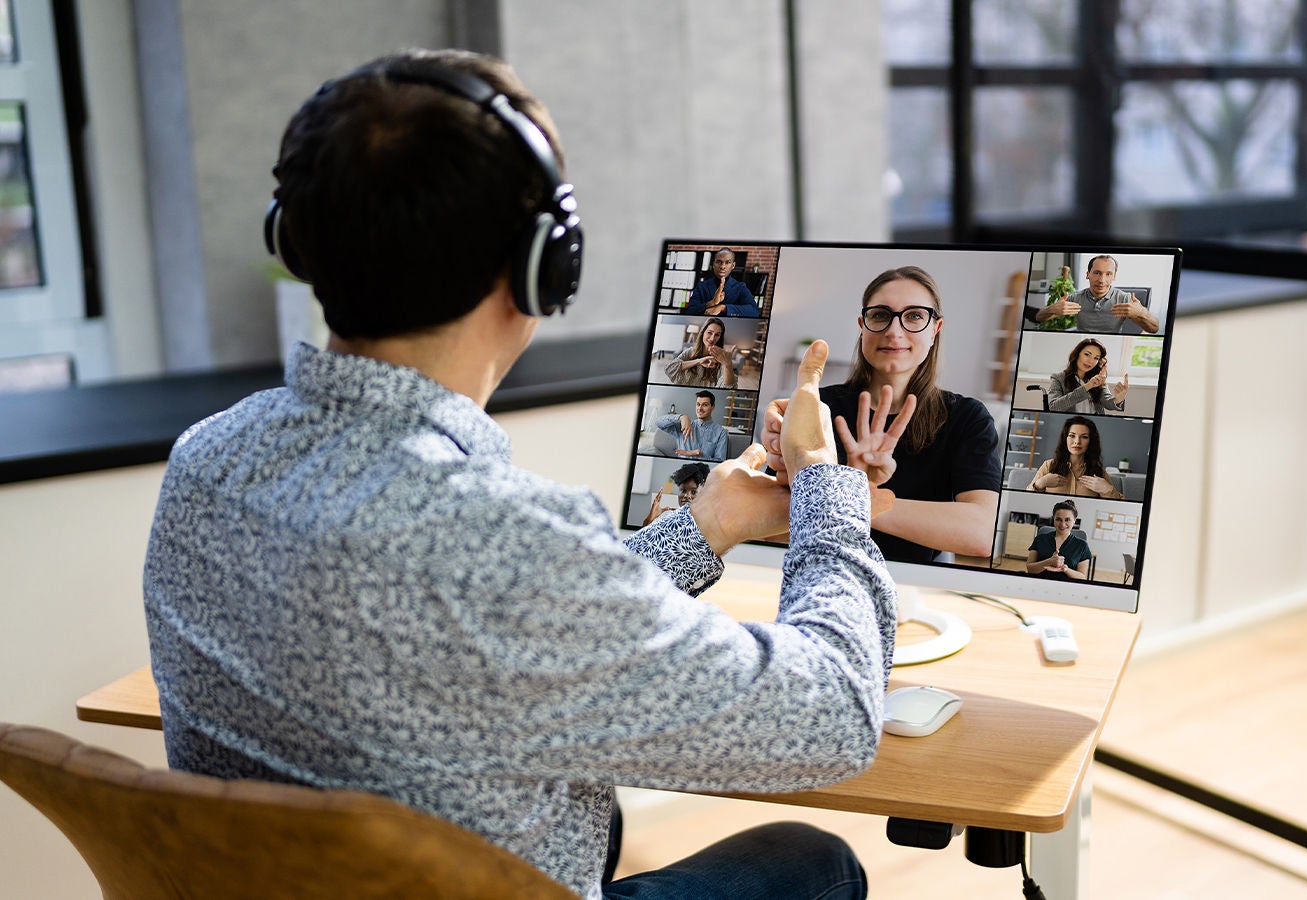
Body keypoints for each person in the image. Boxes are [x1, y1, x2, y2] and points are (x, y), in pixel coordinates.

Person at [143, 49, 895, 900]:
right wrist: (829, 484)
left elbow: (498, 636)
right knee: (814, 863)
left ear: (298, 236)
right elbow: (833, 716)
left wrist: (706, 527)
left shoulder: (205, 463)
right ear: (546, 266)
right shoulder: (504, 544)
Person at [762, 266, 1003, 565]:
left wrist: (855, 497)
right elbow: (765, 526)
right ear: (863, 325)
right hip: (816, 571)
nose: (894, 330)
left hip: (911, 584)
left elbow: (980, 533)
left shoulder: (967, 417)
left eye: (914, 316)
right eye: (880, 315)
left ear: (935, 330)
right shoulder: (818, 406)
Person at [1035, 255, 1160, 334]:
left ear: (1114, 277)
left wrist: (1141, 313)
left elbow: (1154, 329)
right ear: (1087, 274)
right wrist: (1051, 308)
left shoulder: (1125, 299)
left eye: (1108, 274)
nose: (1102, 280)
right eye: (1097, 273)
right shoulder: (1075, 297)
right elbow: (1038, 318)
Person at [1028, 414, 1125, 499]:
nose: (1077, 441)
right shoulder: (1049, 466)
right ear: (1065, 439)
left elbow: (1122, 507)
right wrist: (1041, 483)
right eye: (1072, 435)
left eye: (1084, 437)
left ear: (1091, 442)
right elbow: (1026, 498)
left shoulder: (1098, 472)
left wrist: (1107, 489)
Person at [1046, 337, 1127, 414]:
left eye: (1096, 358)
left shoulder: (1098, 378)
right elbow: (1054, 407)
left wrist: (1118, 399)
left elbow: (1107, 402)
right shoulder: (1058, 378)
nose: (1091, 361)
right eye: (1087, 354)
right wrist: (1087, 386)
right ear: (1077, 354)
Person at [1025, 499, 1093, 580]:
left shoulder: (1082, 545)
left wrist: (1065, 569)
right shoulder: (1040, 539)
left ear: (1074, 521)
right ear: (1053, 519)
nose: (1062, 524)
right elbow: (1030, 569)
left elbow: (1082, 577)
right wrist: (1049, 561)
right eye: (1058, 519)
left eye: (1067, 520)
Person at [654, 390, 728, 462]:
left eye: (705, 405)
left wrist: (700, 455)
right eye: (698, 404)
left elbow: (720, 462)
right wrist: (682, 417)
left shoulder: (721, 432)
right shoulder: (683, 425)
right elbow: (658, 422)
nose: (700, 408)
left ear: (713, 407)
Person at [665, 316, 737, 388]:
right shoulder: (690, 352)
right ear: (703, 332)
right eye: (709, 332)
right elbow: (670, 369)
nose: (712, 338)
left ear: (720, 338)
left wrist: (728, 365)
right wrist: (698, 361)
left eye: (717, 335)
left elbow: (729, 387)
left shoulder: (721, 358)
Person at [684, 248, 759, 316]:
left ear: (733, 265)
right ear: (713, 264)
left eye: (727, 262)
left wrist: (723, 308)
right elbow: (690, 311)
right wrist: (711, 303)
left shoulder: (740, 287)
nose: (722, 266)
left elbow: (754, 311)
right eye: (719, 262)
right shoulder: (702, 286)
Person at [643, 461, 711, 525]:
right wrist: (650, 519)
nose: (686, 496)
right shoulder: (669, 519)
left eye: (693, 492)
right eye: (683, 491)